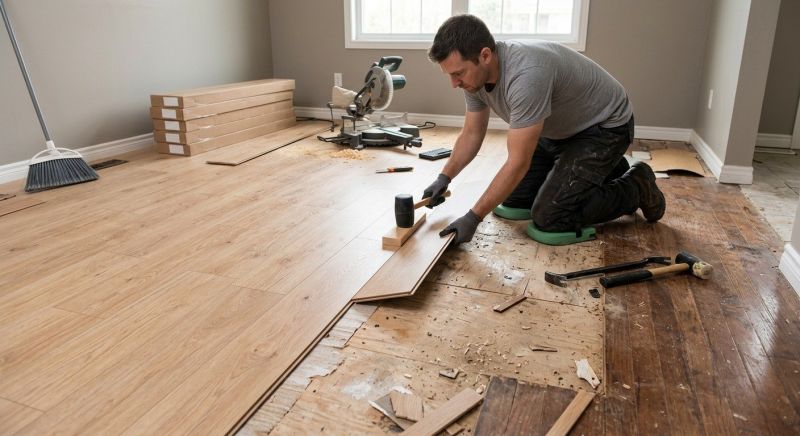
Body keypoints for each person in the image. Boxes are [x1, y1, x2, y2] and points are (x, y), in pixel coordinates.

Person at [422, 14, 665, 244]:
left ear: (485, 55)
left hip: (603, 128)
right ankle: (604, 170)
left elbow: (518, 163)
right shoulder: (475, 80)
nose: (454, 84)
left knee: (551, 217)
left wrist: (473, 217)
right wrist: (444, 177)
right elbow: (472, 133)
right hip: (558, 129)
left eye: (458, 74)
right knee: (516, 200)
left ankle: (637, 185)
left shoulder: (526, 76)